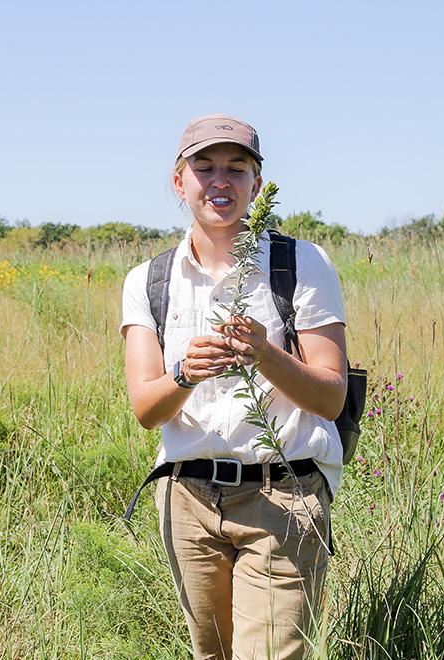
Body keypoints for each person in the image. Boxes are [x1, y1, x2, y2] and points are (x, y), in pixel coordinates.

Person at [120, 114, 347, 660]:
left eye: (236, 168)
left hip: (282, 494)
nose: (219, 181)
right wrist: (184, 374)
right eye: (204, 167)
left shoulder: (300, 264)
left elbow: (331, 396)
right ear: (180, 182)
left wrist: (264, 353)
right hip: (187, 499)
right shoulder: (148, 280)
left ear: (256, 185)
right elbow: (146, 410)